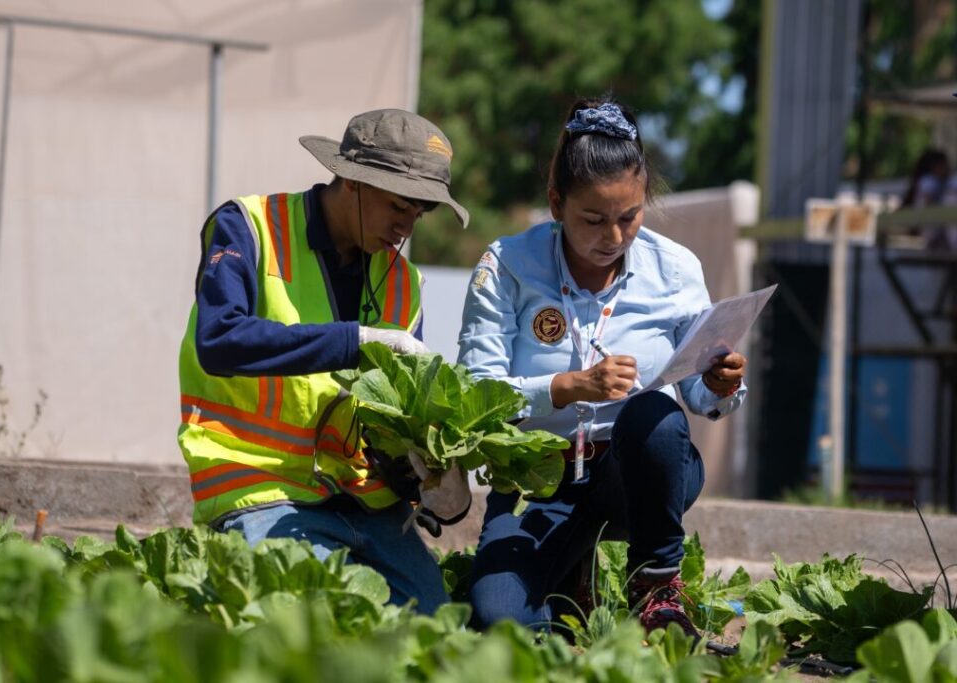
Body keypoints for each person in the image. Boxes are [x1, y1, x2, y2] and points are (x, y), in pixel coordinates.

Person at [457, 98, 748, 636]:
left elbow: (698, 395)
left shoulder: (675, 269)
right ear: (556, 203)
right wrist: (568, 387)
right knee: (502, 623)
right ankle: (574, 579)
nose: (613, 238)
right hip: (537, 477)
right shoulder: (507, 265)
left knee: (653, 413)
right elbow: (475, 393)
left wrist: (719, 383)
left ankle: (656, 586)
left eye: (628, 218)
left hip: (633, 478)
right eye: (592, 220)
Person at [177, 109, 471, 614]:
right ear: (353, 180)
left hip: (366, 503)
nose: (405, 227)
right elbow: (218, 340)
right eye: (398, 205)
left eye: (419, 214)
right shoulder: (248, 227)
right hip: (259, 486)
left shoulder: (405, 284)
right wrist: (356, 340)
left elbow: (390, 424)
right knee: (319, 623)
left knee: (440, 629)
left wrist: (433, 483)